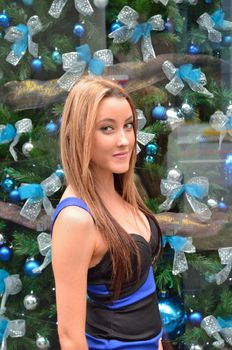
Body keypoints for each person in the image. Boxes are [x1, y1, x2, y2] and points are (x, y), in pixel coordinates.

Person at [51, 76, 164, 350]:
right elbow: (70, 337)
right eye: (107, 129)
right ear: (80, 133)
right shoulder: (76, 218)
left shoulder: (122, 191)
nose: (124, 140)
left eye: (128, 125)